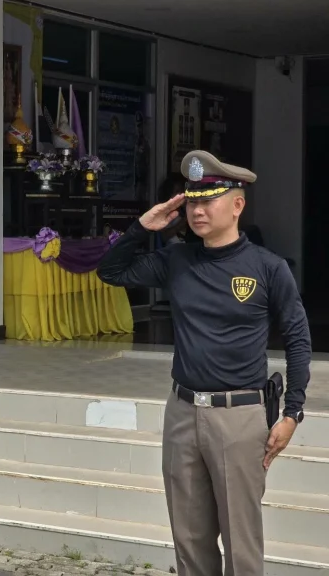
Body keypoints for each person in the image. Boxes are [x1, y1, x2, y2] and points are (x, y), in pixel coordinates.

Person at [97, 150, 311, 576]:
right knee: (190, 540)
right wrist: (142, 227)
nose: (197, 211)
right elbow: (111, 272)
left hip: (239, 417)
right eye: (192, 201)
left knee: (241, 541)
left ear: (237, 205)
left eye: (209, 201)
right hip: (182, 412)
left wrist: (292, 413)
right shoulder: (178, 260)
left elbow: (297, 339)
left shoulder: (268, 268)